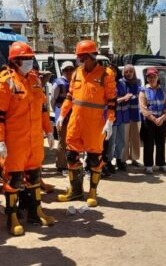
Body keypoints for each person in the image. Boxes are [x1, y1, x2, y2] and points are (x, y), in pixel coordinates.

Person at [0, 41, 55, 236]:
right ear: (15, 61)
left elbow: (43, 109)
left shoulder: (35, 80)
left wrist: (49, 130)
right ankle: (12, 218)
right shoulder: (6, 82)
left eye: (30, 59)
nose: (29, 62)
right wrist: (0, 140)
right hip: (15, 142)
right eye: (25, 59)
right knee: (14, 180)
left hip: (34, 140)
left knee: (35, 177)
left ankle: (36, 213)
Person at [56, 40, 117, 207]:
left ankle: (92, 192)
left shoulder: (106, 75)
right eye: (79, 58)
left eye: (82, 57)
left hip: (94, 124)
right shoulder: (76, 73)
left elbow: (112, 100)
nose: (80, 61)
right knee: (71, 156)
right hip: (75, 121)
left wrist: (110, 121)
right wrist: (62, 115)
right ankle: (75, 191)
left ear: (91, 56)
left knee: (94, 160)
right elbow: (69, 97)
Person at [139, 67, 166, 174]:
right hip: (149, 121)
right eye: (149, 77)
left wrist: (162, 118)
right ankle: (148, 165)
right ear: (147, 79)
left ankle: (161, 163)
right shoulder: (143, 91)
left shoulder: (164, 90)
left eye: (154, 76)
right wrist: (153, 119)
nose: (152, 79)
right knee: (149, 143)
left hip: (162, 121)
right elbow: (143, 109)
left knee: (161, 143)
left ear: (157, 77)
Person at [51, 61, 76, 175]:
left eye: (71, 69)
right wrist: (57, 112)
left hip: (73, 115)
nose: (69, 71)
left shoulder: (75, 82)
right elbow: (52, 100)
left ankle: (70, 163)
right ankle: (61, 166)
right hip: (61, 115)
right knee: (62, 141)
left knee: (71, 140)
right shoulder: (58, 83)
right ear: (62, 71)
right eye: (66, 69)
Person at [119, 65, 142, 167]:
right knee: (124, 138)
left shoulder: (138, 81)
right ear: (123, 72)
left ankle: (134, 159)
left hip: (136, 113)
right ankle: (122, 159)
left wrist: (137, 96)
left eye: (131, 71)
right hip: (124, 114)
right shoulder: (120, 82)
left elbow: (141, 94)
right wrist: (125, 97)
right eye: (126, 72)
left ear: (134, 72)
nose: (128, 74)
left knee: (135, 137)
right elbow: (118, 96)